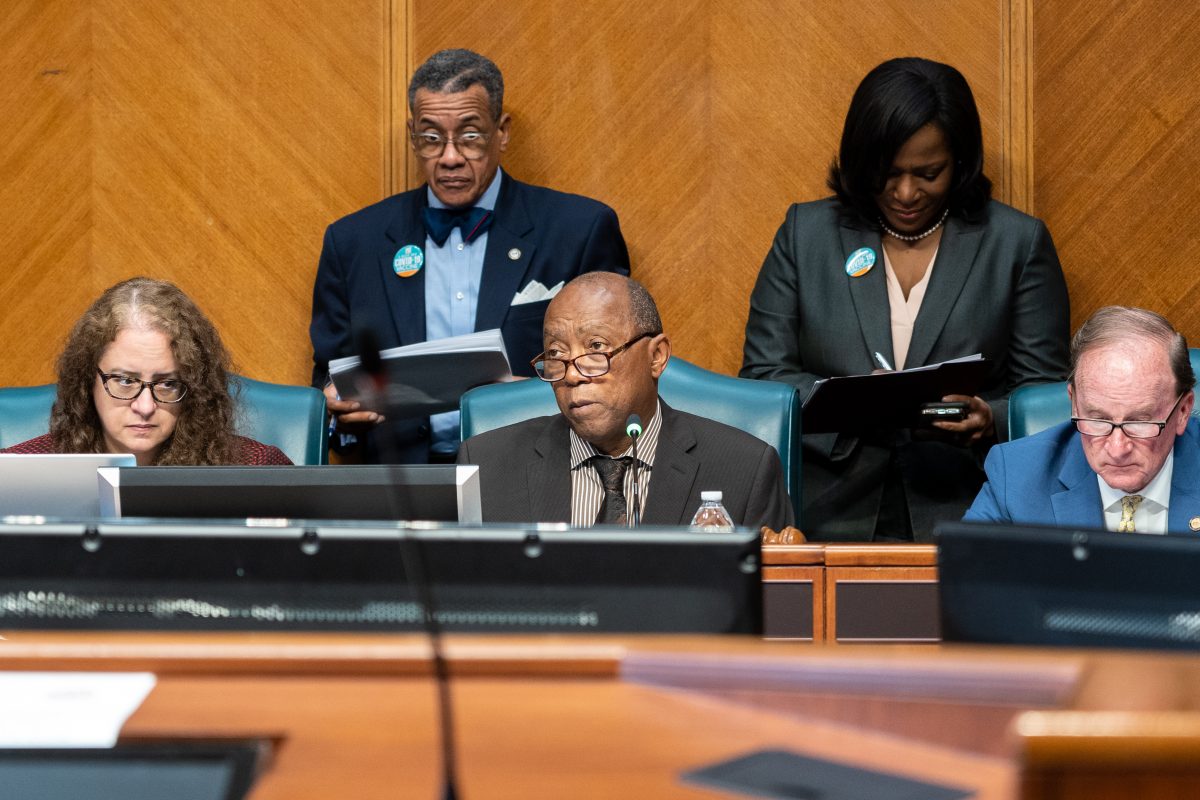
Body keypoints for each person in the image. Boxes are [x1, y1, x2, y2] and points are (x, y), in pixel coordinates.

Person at [740, 57, 1070, 541]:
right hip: (825, 508)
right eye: (887, 173)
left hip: (967, 504)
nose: (906, 193)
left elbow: (1043, 396)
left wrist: (988, 417)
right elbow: (763, 378)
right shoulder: (806, 234)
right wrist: (851, 400)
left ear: (960, 161)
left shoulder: (1015, 244)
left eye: (928, 172)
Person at [311, 48, 631, 464]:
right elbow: (328, 377)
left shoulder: (579, 230)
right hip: (398, 483)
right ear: (412, 135)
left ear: (502, 132)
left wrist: (526, 397)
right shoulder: (353, 242)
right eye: (430, 139)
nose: (449, 157)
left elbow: (613, 371)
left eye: (469, 136)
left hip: (536, 471)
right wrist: (337, 410)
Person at [458, 273, 793, 531]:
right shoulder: (487, 466)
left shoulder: (745, 469)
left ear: (656, 356)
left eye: (596, 348)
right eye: (557, 354)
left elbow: (776, 607)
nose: (572, 375)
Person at [2, 278, 291, 466]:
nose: (145, 406)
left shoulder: (256, 468)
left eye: (167, 384)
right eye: (125, 381)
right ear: (87, 380)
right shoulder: (17, 473)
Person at [965, 307, 1200, 533]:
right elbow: (966, 567)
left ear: (1182, 411)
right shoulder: (1017, 475)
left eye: (1139, 422)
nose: (1117, 449)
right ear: (1075, 403)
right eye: (1098, 420)